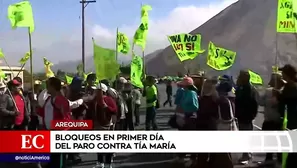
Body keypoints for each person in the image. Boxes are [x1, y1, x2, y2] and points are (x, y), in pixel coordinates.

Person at [196, 79, 234, 168]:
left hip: (205, 127)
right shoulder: (219, 100)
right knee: (215, 154)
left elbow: (202, 113)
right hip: (215, 128)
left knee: (203, 154)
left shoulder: (203, 99)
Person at [36, 77, 71, 168]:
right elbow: (44, 113)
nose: (46, 87)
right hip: (49, 132)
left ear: (53, 86)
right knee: (52, 158)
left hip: (58, 134)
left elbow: (66, 118)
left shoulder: (61, 100)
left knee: (58, 159)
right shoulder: (49, 99)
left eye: (48, 85)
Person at [257, 73, 284, 166]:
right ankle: (272, 160)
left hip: (276, 121)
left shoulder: (282, 92)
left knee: (275, 143)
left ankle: (276, 161)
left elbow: (261, 102)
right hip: (272, 121)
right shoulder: (270, 92)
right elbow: (261, 102)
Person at [235, 70, 259, 164]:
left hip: (246, 116)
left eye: (240, 76)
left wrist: (251, 116)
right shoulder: (241, 88)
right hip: (242, 116)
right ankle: (246, 153)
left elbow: (254, 104)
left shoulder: (249, 89)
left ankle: (247, 155)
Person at [93, 83, 117, 168]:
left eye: (97, 91)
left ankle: (108, 162)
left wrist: (106, 107)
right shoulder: (94, 100)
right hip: (97, 126)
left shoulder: (108, 100)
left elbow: (114, 110)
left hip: (107, 125)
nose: (96, 92)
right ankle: (100, 162)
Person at [278, 64, 297, 168]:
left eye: (283, 73)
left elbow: (287, 99)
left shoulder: (291, 87)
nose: (282, 75)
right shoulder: (291, 85)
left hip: (294, 121)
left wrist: (278, 95)